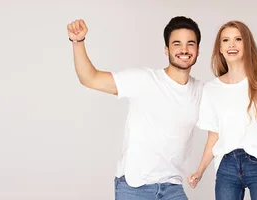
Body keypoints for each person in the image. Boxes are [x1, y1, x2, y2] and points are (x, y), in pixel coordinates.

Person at [67, 16, 203, 200]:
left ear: (197, 50)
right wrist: (78, 41)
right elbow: (90, 78)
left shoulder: (201, 91)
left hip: (172, 187)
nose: (184, 49)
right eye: (177, 43)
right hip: (135, 187)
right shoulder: (144, 80)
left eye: (190, 44)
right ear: (167, 49)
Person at [187, 20, 257, 200]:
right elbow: (213, 137)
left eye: (238, 39)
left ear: (247, 45)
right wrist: (200, 171)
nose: (231, 44)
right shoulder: (211, 89)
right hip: (227, 166)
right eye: (225, 40)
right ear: (220, 49)